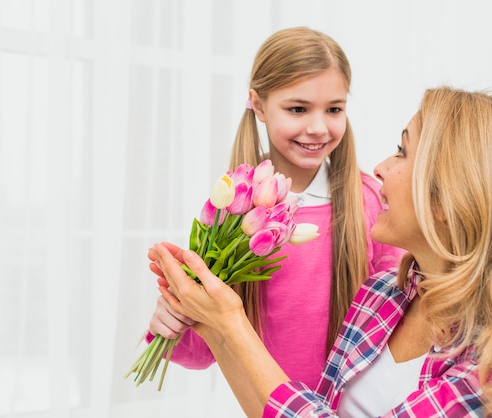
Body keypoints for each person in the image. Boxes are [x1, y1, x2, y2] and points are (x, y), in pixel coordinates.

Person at [149, 86, 492, 417]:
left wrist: (231, 324)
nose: (380, 166)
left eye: (403, 151)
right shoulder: (383, 295)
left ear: (447, 200)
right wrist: (208, 322)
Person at [146, 26, 405, 389]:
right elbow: (199, 352)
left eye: (334, 109)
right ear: (258, 104)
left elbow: (403, 323)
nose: (318, 127)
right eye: (297, 109)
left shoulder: (372, 201)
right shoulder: (234, 207)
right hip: (268, 406)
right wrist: (171, 321)